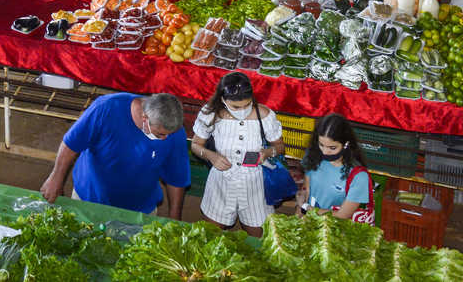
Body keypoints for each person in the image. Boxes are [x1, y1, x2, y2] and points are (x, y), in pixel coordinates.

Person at [41, 92, 189, 215]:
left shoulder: (174, 132)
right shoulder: (106, 108)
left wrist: (174, 217)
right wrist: (55, 179)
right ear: (145, 118)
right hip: (89, 199)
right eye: (160, 134)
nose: (165, 139)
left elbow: (176, 178)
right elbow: (71, 144)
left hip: (140, 210)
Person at [190, 71, 285, 236]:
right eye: (235, 107)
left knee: (259, 238)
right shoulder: (210, 114)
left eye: (246, 105)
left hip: (254, 185)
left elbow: (281, 147)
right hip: (221, 183)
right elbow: (196, 145)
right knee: (210, 236)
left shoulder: (265, 115)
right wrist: (212, 156)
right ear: (223, 100)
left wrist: (267, 152)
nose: (242, 110)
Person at [297, 113, 372, 220]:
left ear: (346, 144)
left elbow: (342, 215)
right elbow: (307, 189)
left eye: (332, 148)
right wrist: (301, 203)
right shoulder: (313, 156)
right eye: (321, 145)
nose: (325, 152)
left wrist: (307, 208)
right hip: (309, 223)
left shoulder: (359, 176)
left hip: (336, 230)